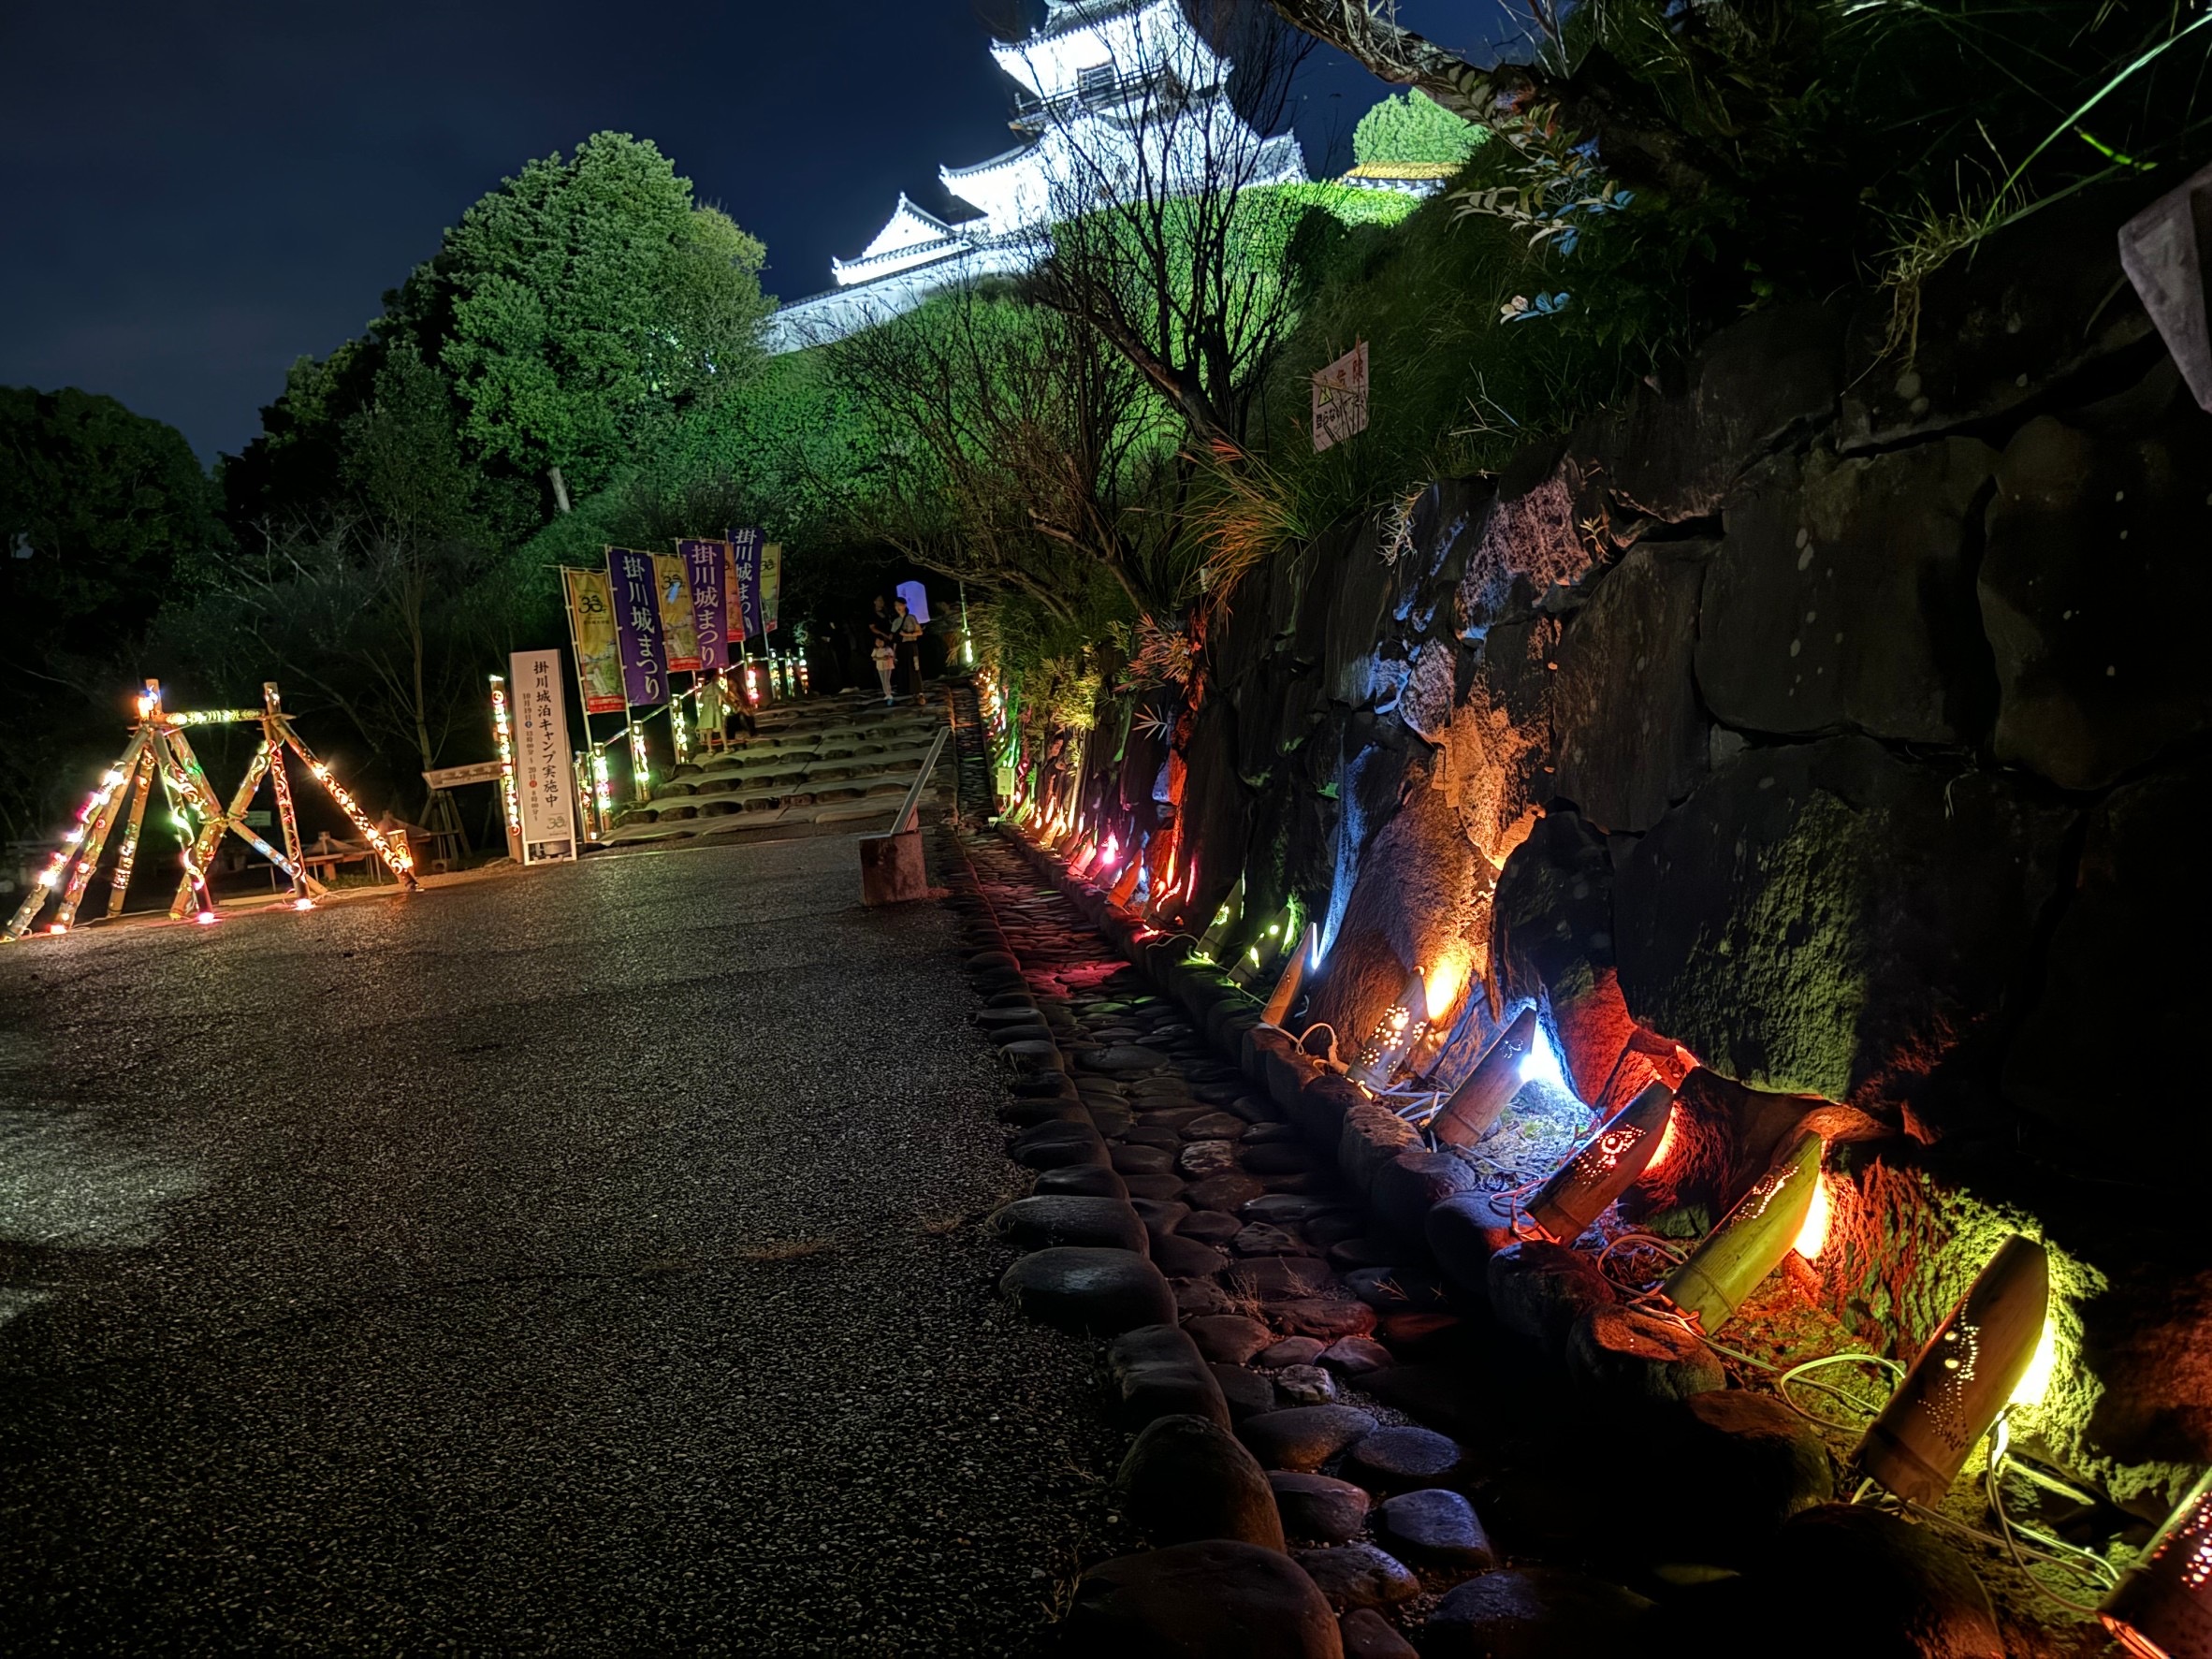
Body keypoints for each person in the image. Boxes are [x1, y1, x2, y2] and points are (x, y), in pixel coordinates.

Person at [890, 594, 925, 702]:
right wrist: (894, 652)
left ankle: (918, 690)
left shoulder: (911, 618)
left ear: (904, 605)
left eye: (899, 605)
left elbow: (920, 632)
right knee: (903, 668)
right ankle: (907, 691)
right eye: (896, 606)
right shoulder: (895, 621)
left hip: (910, 644)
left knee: (914, 667)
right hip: (900, 646)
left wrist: (908, 635)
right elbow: (895, 639)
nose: (898, 608)